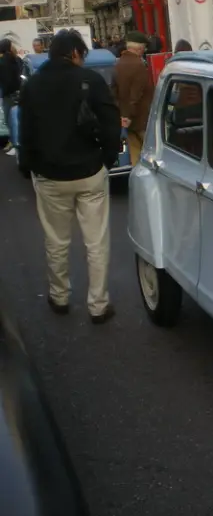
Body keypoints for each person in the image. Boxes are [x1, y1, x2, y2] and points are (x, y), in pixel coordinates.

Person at [18, 29, 121, 323]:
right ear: (76, 53)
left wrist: (30, 166)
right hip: (89, 171)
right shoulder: (90, 80)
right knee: (96, 242)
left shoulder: (34, 86)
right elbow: (111, 123)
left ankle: (59, 296)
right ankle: (98, 304)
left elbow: (26, 132)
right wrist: (107, 159)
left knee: (56, 240)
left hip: (50, 175)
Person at [113, 31, 155, 166]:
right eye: (144, 48)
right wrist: (129, 115)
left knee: (135, 156)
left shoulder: (118, 65)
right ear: (139, 48)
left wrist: (122, 115)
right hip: (141, 119)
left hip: (126, 121)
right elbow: (136, 95)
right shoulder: (139, 65)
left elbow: (114, 93)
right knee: (153, 154)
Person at [0, 39, 24, 156]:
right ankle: (14, 143)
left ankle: (15, 144)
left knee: (10, 121)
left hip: (8, 94)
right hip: (16, 93)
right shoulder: (15, 60)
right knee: (14, 120)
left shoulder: (3, 62)